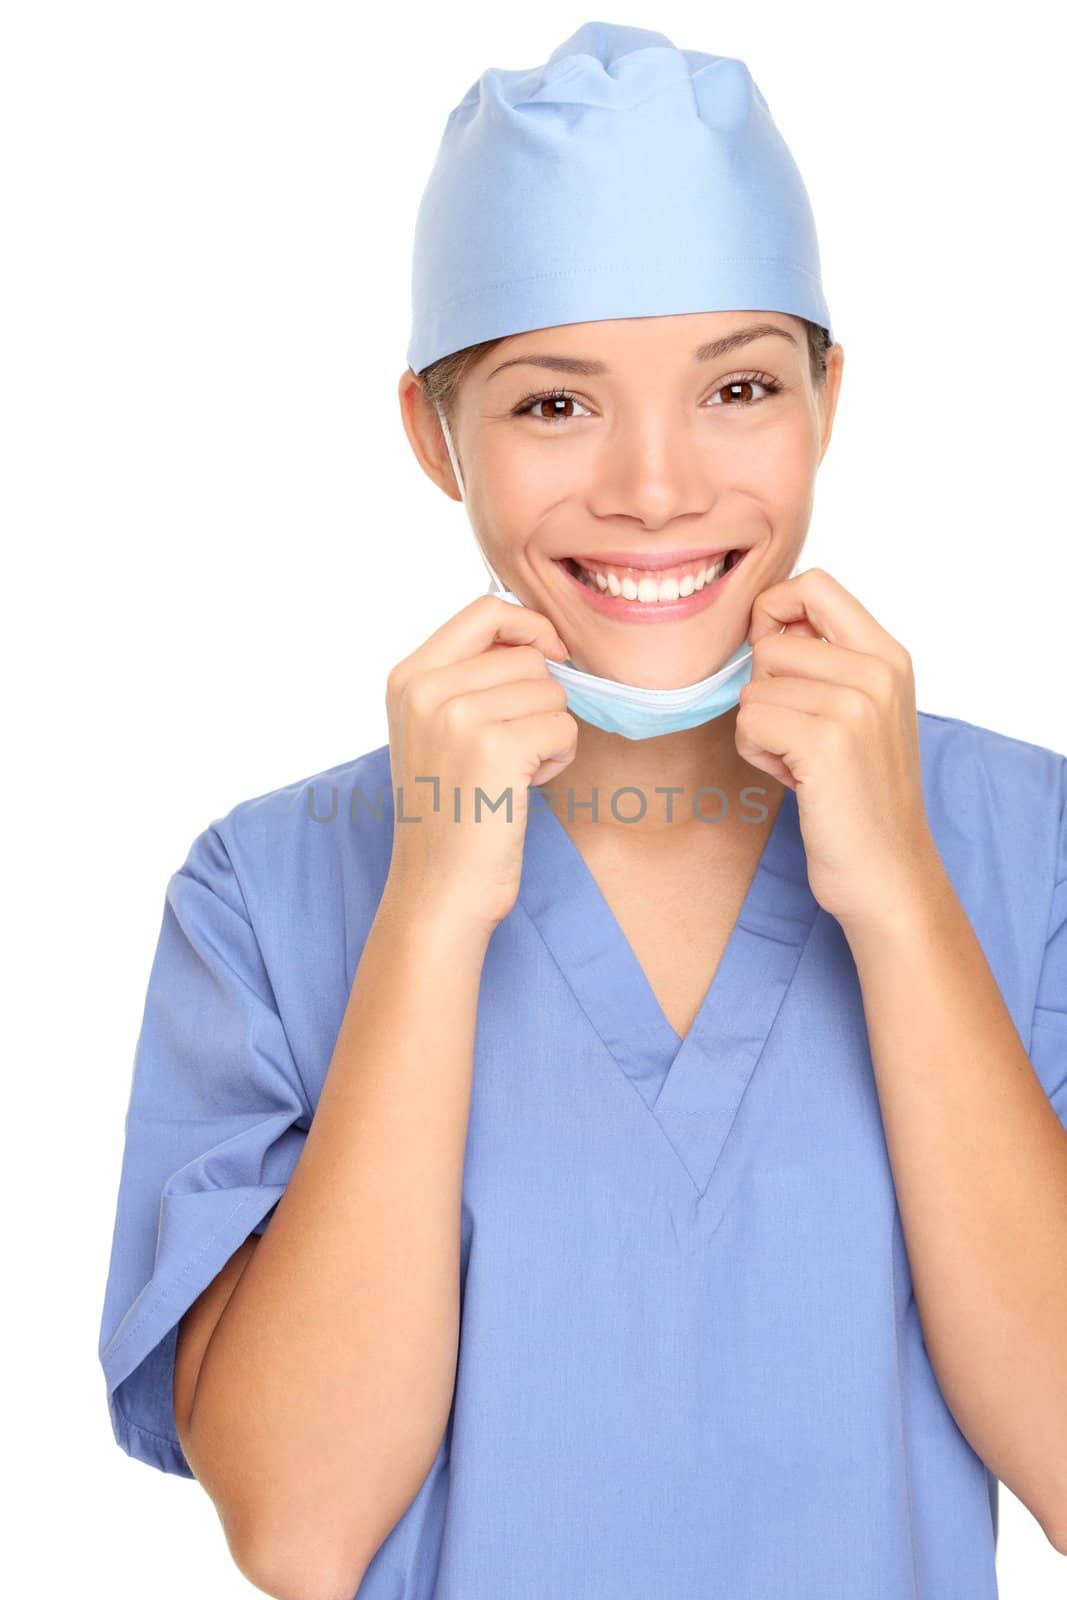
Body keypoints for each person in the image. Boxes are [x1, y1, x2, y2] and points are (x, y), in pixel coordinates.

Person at [98, 20, 1067, 1600]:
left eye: (739, 386)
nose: (657, 486)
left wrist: (899, 895)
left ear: (830, 398)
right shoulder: (270, 889)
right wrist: (430, 915)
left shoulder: (1030, 846)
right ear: (435, 433)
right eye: (554, 406)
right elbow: (298, 1529)